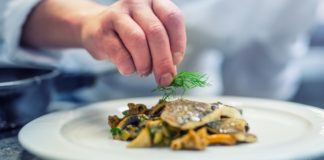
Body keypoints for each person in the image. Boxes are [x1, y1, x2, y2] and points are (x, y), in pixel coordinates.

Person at [0, 0, 318, 102]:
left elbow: (258, 97)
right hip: (42, 104)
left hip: (194, 119)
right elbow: (11, 13)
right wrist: (88, 24)